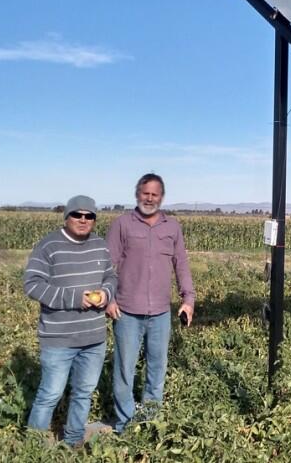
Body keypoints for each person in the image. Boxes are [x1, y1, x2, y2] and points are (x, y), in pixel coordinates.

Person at [24, 195, 117, 447]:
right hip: (58, 339)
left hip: (94, 338)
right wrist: (75, 298)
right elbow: (32, 284)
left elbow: (110, 276)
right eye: (77, 214)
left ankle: (74, 440)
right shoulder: (49, 246)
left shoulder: (99, 244)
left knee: (83, 393)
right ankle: (34, 447)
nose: (83, 220)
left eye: (90, 216)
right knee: (50, 394)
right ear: (67, 216)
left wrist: (107, 294)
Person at [106, 173, 195, 432]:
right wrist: (108, 299)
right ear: (137, 194)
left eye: (155, 194)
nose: (150, 198)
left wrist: (188, 299)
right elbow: (106, 266)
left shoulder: (172, 227)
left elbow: (182, 265)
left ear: (162, 197)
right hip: (127, 312)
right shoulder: (122, 225)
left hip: (160, 314)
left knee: (156, 369)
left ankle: (147, 422)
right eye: (146, 193)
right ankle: (125, 425)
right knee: (125, 370)